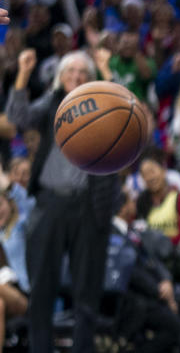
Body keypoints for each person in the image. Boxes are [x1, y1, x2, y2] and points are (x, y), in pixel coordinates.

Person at [5, 48, 119, 353]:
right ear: (60, 78)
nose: (76, 77)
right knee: (42, 286)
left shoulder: (105, 107)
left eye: (83, 72)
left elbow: (128, 109)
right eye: (70, 72)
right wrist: (24, 73)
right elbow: (18, 117)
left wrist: (107, 70)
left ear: (90, 79)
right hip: (50, 203)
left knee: (87, 290)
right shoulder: (54, 102)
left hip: (90, 206)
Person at [110, 188, 180, 353]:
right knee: (174, 328)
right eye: (131, 201)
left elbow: (151, 261)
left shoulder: (132, 231)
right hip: (128, 300)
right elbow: (129, 272)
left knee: (176, 324)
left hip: (146, 295)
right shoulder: (111, 234)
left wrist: (166, 281)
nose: (135, 204)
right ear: (122, 208)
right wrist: (159, 291)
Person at [135, 146, 180, 245]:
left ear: (164, 170)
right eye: (145, 174)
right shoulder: (141, 201)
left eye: (152, 171)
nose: (150, 178)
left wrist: (164, 244)